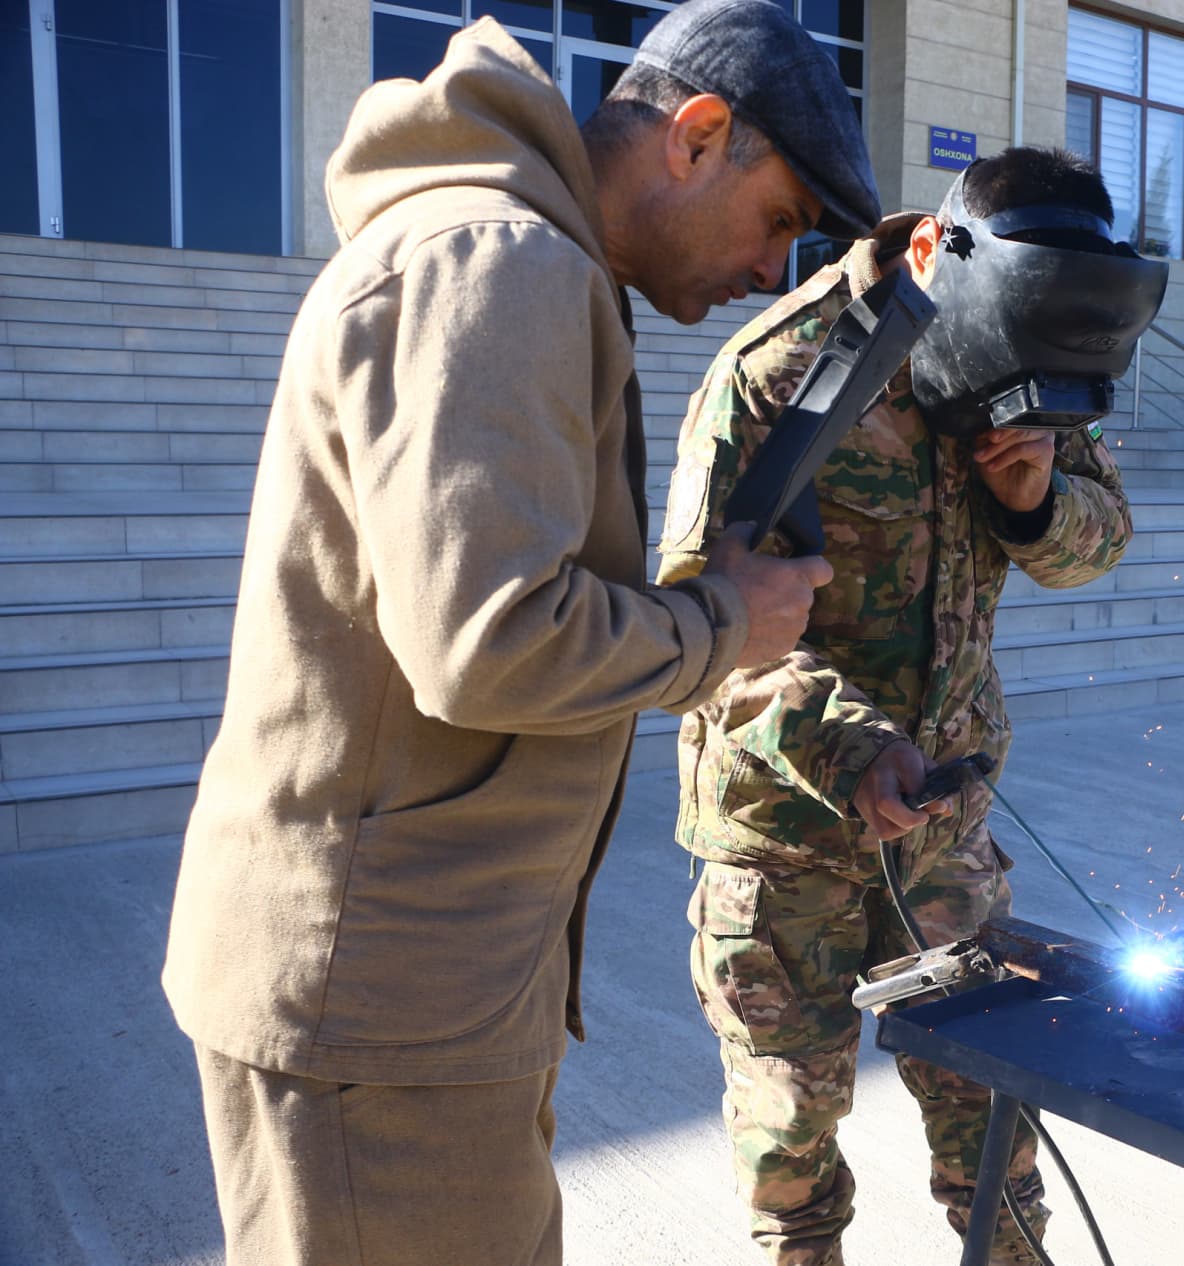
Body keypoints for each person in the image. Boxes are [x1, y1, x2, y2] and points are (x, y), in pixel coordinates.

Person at [160, 2, 875, 1262]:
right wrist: (724, 620)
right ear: (698, 136)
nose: (774, 273)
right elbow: (487, 640)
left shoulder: (513, 255)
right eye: (780, 223)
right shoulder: (504, 264)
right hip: (382, 1006)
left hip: (415, 993)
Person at [658, 147, 1167, 1265]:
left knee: (993, 1116)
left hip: (943, 825)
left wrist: (1035, 499)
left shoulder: (1029, 342)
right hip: (784, 839)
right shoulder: (783, 375)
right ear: (937, 258)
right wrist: (851, 751)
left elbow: (1102, 539)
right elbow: (701, 634)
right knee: (792, 1146)